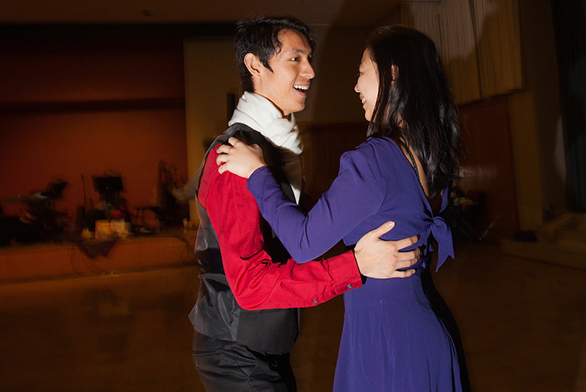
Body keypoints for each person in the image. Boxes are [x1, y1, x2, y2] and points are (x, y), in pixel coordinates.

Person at [217, 25, 464, 391]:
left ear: (391, 75)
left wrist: (257, 174)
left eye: (362, 72)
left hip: (386, 339)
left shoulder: (375, 160)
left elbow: (303, 243)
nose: (356, 86)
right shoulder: (427, 156)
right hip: (422, 326)